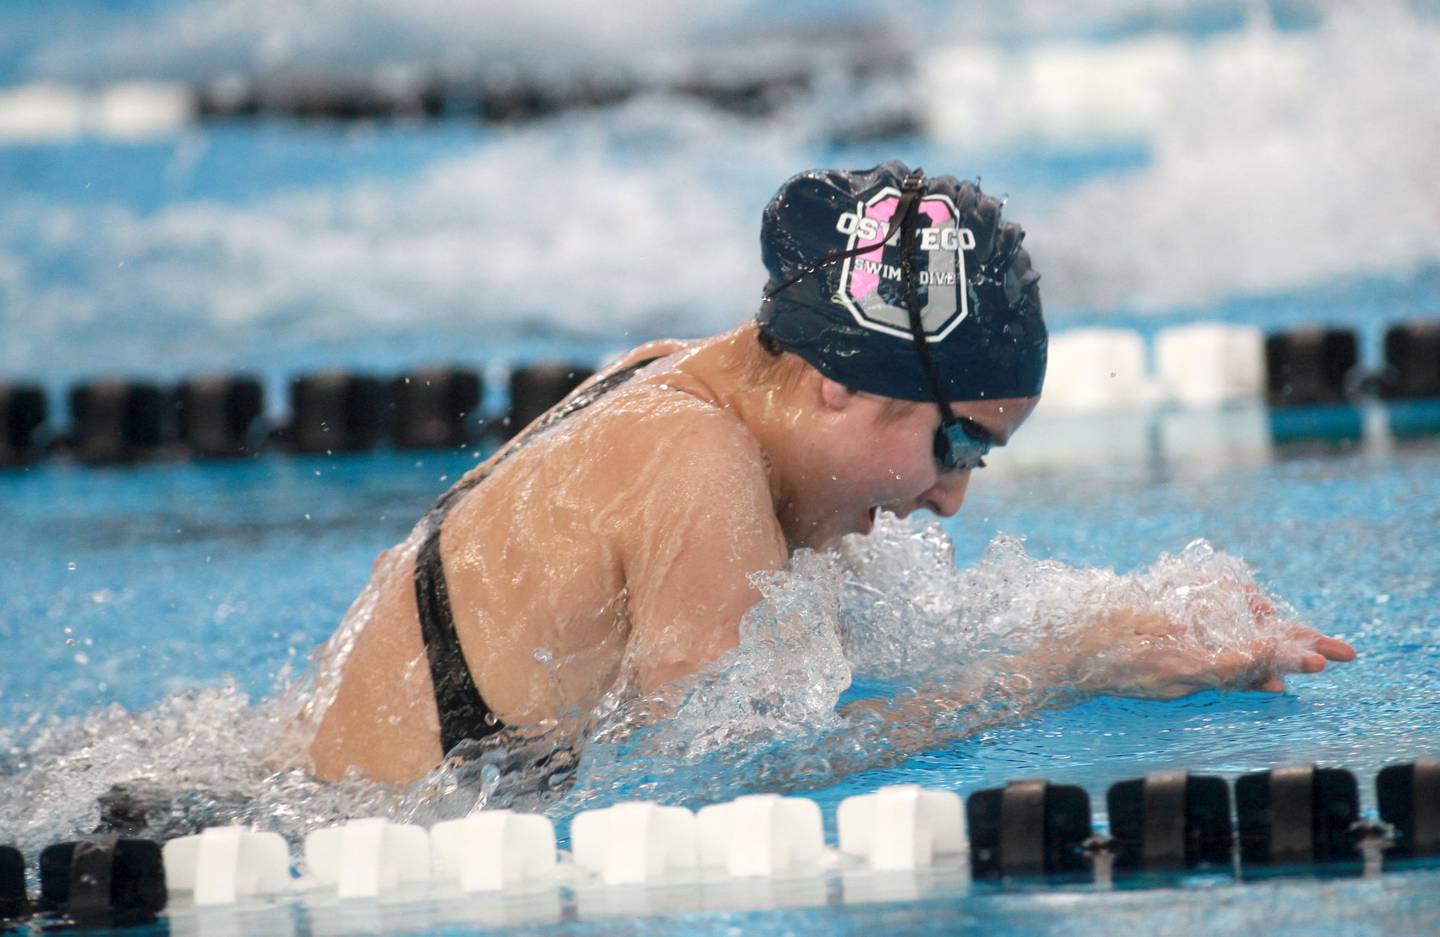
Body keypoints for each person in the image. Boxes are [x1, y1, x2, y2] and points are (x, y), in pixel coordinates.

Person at [303, 162, 1354, 785]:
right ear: (837, 383)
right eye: (956, 445)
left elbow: (802, 674)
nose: (952, 497)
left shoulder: (675, 377)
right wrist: (1061, 669)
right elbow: (719, 774)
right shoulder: (691, 455)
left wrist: (1135, 620)